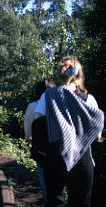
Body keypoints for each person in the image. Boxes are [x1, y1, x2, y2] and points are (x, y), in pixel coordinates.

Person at [34, 56, 104, 207]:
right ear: (79, 75)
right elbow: (98, 135)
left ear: (61, 75)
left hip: (55, 156)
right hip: (83, 158)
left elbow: (37, 123)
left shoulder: (47, 96)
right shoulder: (89, 99)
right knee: (81, 203)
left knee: (55, 202)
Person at [24, 79, 55, 205]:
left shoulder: (32, 106)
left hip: (41, 150)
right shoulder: (59, 105)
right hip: (60, 149)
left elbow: (27, 133)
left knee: (44, 178)